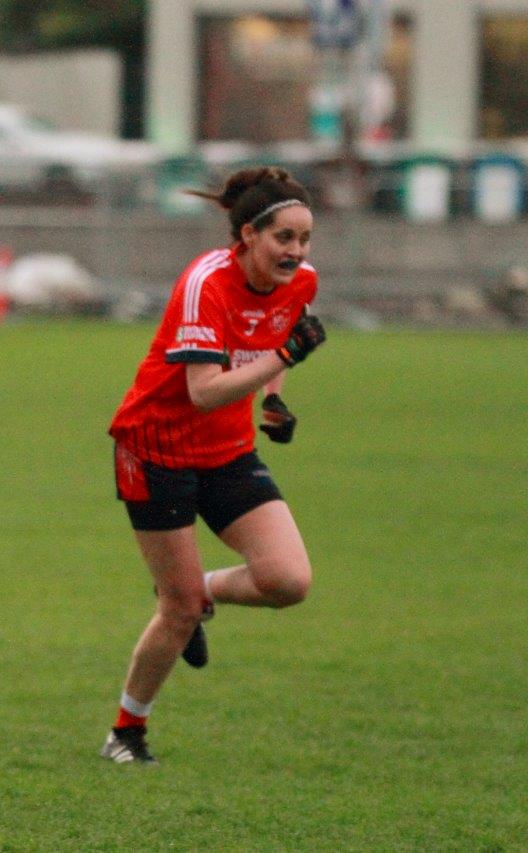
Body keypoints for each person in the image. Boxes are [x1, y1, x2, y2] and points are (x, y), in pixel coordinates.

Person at [100, 167, 327, 764]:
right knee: (175, 615)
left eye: (305, 239)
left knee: (288, 582)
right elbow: (203, 390)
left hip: (226, 449)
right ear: (249, 235)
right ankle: (127, 731)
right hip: (154, 448)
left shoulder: (301, 281)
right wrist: (283, 356)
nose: (297, 252)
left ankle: (197, 589)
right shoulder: (207, 282)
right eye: (284, 238)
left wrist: (273, 397)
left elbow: (275, 337)